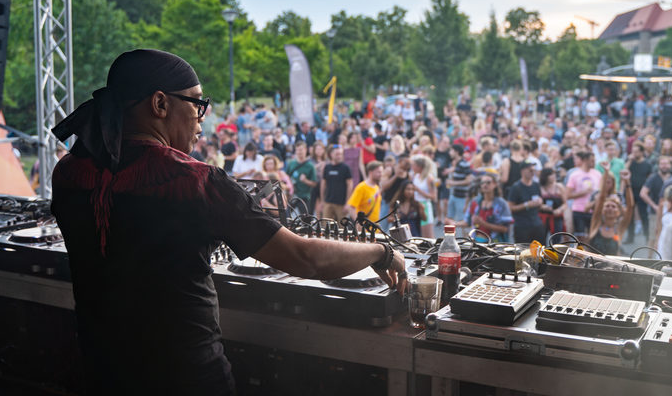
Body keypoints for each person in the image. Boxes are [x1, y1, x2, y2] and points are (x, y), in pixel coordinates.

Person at [50, 49, 405, 396]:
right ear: (160, 104)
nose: (202, 118)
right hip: (185, 376)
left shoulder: (67, 172)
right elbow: (305, 258)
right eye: (197, 104)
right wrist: (381, 252)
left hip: (99, 372)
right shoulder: (197, 181)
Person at [587, 170, 635, 255]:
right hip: (592, 266)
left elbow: (630, 207)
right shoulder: (596, 223)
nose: (610, 208)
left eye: (613, 207)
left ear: (618, 212)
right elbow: (601, 198)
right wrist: (606, 173)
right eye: (607, 206)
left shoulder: (619, 227)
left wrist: (627, 182)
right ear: (602, 210)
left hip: (611, 267)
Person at [463, 174, 514, 243]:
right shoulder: (475, 202)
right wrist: (453, 223)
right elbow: (467, 222)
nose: (485, 185)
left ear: (495, 184)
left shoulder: (501, 204)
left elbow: (505, 229)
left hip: (495, 243)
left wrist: (483, 223)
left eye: (488, 182)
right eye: (482, 183)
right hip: (476, 241)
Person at [508, 161, 547, 244]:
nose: (532, 172)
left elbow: (540, 203)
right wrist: (526, 205)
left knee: (540, 252)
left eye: (533, 170)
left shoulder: (536, 185)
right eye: (530, 170)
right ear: (522, 171)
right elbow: (510, 208)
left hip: (537, 224)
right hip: (522, 226)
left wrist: (540, 203)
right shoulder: (516, 187)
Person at [566, 150, 602, 237]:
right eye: (592, 160)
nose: (594, 163)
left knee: (593, 237)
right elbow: (568, 195)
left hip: (594, 210)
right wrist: (583, 193)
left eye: (594, 160)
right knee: (580, 238)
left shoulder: (597, 174)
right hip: (579, 211)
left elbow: (601, 192)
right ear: (585, 160)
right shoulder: (574, 175)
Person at [318, 146, 354, 222]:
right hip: (328, 202)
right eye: (337, 154)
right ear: (331, 154)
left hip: (341, 203)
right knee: (325, 226)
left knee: (342, 227)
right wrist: (322, 200)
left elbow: (350, 185)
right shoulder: (327, 167)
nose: (339, 156)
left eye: (340, 154)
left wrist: (347, 203)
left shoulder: (345, 168)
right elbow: (323, 184)